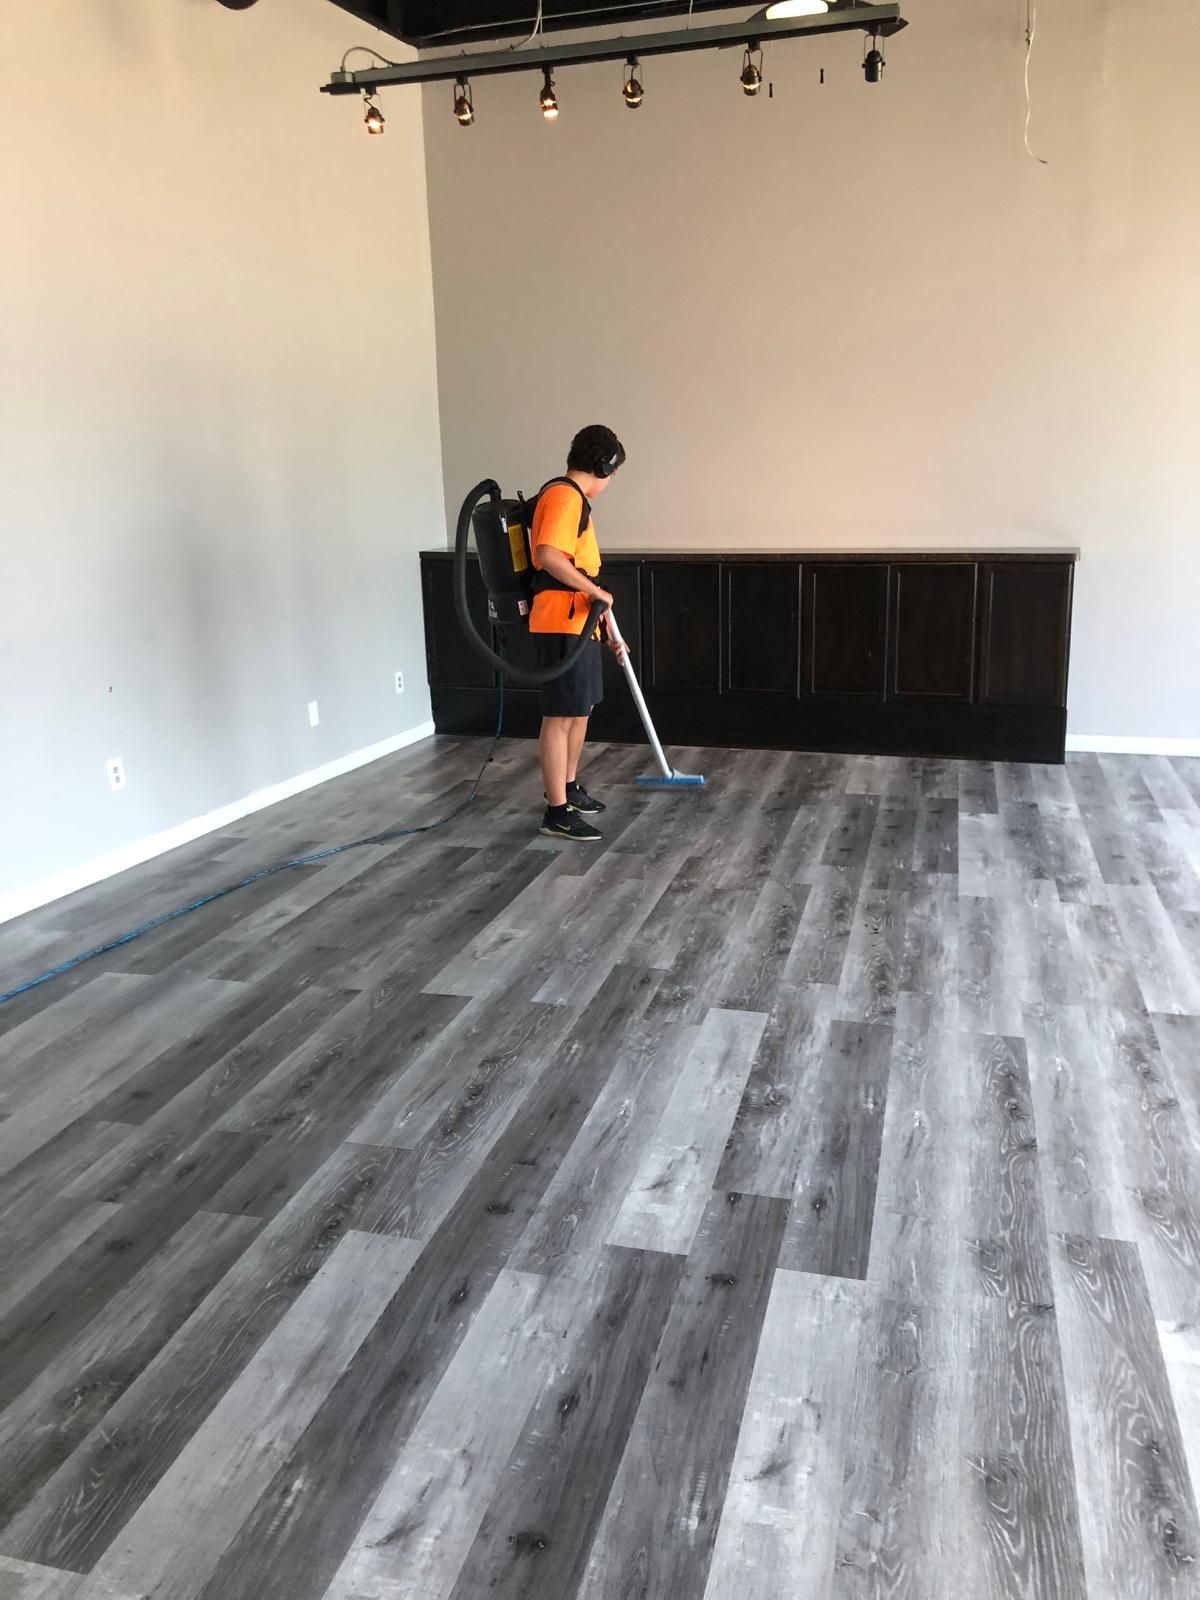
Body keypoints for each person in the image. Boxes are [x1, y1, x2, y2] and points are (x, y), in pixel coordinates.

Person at [529, 424, 627, 842]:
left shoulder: (576, 502)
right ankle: (556, 813)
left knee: (580, 708)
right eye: (613, 472)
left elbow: (583, 571)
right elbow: (549, 556)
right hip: (558, 621)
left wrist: (606, 626)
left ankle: (568, 789)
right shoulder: (564, 497)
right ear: (603, 466)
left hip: (580, 621)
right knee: (560, 714)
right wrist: (595, 592)